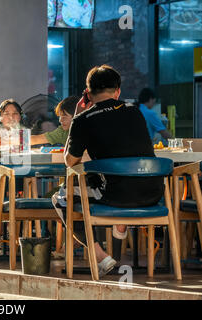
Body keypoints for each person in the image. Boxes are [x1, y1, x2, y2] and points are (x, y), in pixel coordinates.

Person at [53, 65, 164, 276]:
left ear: (88, 94)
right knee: (107, 181)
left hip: (116, 196)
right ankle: (120, 226)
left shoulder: (83, 119)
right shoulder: (136, 112)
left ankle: (101, 257)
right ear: (118, 91)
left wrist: (77, 115)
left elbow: (70, 161)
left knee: (62, 197)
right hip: (153, 194)